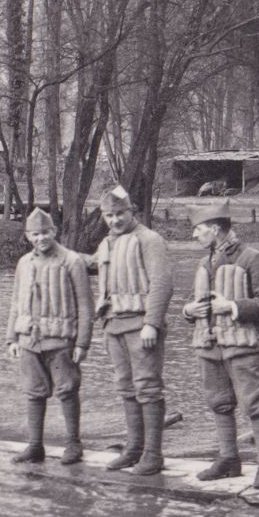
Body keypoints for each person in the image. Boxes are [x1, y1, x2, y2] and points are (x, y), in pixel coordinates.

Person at [182, 199, 259, 489]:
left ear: (214, 228)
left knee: (254, 404)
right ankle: (229, 460)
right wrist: (188, 311)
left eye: (198, 229)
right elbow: (193, 301)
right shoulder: (204, 262)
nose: (194, 235)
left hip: (241, 344)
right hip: (209, 346)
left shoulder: (254, 259)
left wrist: (232, 306)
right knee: (219, 403)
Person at [92, 185, 173, 475]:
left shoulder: (150, 240)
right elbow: (97, 267)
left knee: (148, 387)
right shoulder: (108, 243)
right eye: (109, 215)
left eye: (120, 213)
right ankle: (134, 449)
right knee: (125, 387)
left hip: (141, 325)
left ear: (132, 211)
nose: (115, 220)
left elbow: (162, 284)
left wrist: (152, 323)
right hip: (113, 324)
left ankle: (153, 455)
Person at [5, 207, 93, 465]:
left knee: (67, 390)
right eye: (34, 234)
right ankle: (35, 446)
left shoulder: (72, 261)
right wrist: (11, 338)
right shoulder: (24, 263)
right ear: (27, 236)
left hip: (61, 339)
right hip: (29, 339)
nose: (40, 238)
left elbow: (85, 305)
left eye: (45, 232)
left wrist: (83, 342)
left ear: (54, 231)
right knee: (34, 392)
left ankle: (74, 444)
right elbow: (15, 302)